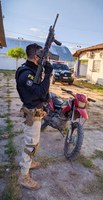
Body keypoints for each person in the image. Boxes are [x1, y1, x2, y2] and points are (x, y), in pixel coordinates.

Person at [15, 43, 53, 190]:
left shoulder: (32, 69)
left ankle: (29, 164)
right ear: (37, 56)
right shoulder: (26, 74)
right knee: (30, 144)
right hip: (31, 113)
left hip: (36, 111)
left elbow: (43, 93)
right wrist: (48, 74)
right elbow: (41, 92)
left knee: (34, 142)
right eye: (43, 56)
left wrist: (43, 69)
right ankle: (23, 176)